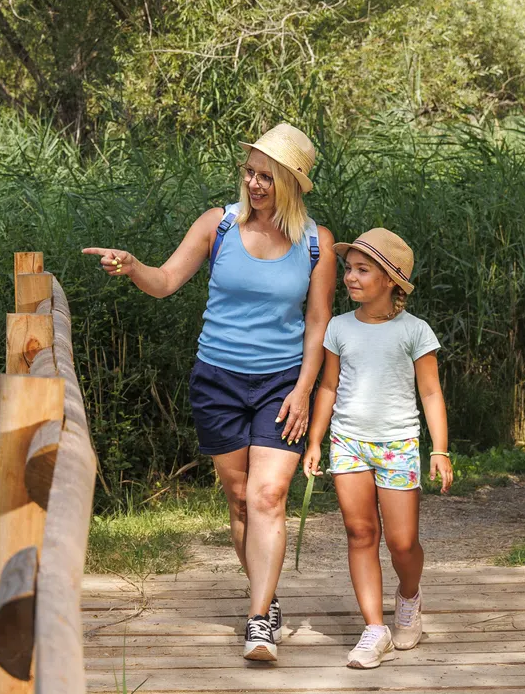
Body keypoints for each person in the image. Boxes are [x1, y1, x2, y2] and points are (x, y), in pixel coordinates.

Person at [83, 123, 336, 662]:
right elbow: (166, 279)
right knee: (241, 498)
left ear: (290, 181)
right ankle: (263, 601)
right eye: (249, 172)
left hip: (282, 385)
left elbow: (318, 324)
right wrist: (132, 267)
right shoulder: (217, 224)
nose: (254, 183)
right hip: (217, 378)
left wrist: (303, 390)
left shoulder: (317, 242)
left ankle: (257, 620)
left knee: (269, 496)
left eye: (266, 175)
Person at [302, 227, 450, 669]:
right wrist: (315, 440)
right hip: (348, 443)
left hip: (397, 446)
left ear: (390, 279)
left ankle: (408, 599)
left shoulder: (415, 332)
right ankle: (373, 628)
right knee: (360, 533)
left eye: (362, 270)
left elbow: (431, 394)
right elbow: (327, 387)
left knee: (403, 543)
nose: (350, 277)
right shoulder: (339, 328)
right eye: (348, 269)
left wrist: (439, 449)